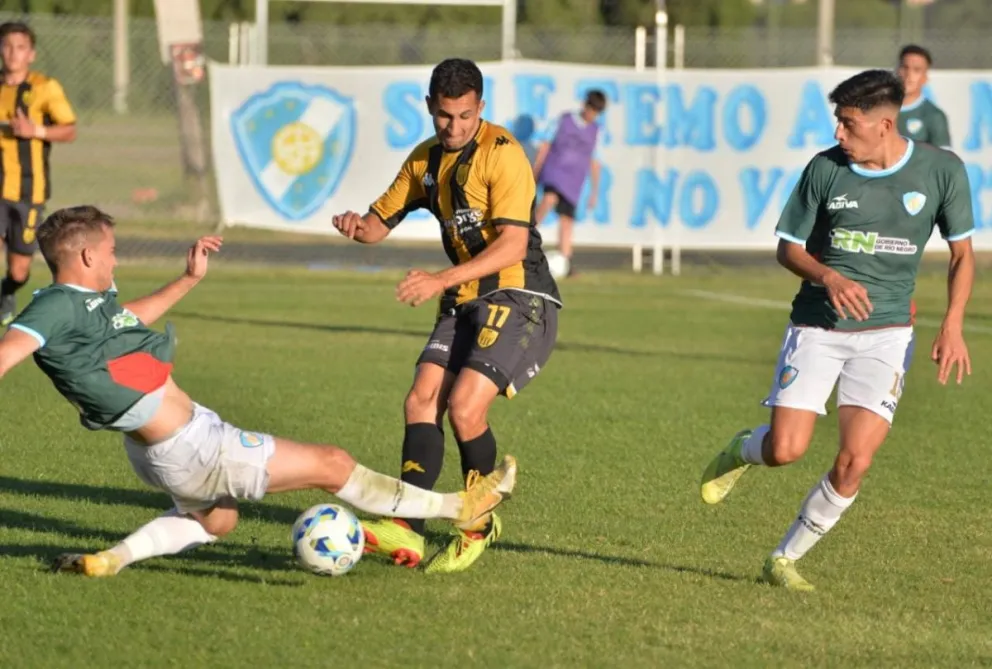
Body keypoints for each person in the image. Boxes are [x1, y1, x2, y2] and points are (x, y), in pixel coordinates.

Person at [0, 205, 517, 578]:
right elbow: (7, 354)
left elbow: (124, 321)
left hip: (164, 450)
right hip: (192, 447)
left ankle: (112, 560)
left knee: (219, 520)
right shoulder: (53, 307)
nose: (115, 260)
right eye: (111, 252)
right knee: (331, 463)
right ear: (87, 255)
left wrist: (187, 280)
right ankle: (458, 508)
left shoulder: (89, 299)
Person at [699, 69, 974, 591]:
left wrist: (953, 324)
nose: (839, 135)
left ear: (884, 125)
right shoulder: (825, 170)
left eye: (848, 125)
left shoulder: (941, 172)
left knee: (854, 462)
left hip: (889, 335)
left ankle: (783, 558)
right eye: (838, 123)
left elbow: (963, 255)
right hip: (818, 326)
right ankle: (744, 448)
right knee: (786, 450)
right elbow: (788, 247)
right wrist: (828, 276)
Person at [330, 58, 561, 574]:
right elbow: (377, 225)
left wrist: (439, 279)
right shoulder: (424, 161)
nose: (453, 127)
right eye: (443, 117)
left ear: (481, 107)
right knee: (420, 399)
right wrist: (355, 225)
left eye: (464, 115)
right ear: (430, 108)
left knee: (463, 407)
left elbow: (513, 247)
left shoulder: (503, 155)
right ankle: (406, 527)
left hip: (521, 297)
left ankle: (478, 523)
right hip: (465, 295)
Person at [0, 21, 77, 326]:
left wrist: (35, 130)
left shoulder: (45, 88)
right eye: (6, 46)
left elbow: (69, 130)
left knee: (19, 271)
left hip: (28, 192)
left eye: (19, 47)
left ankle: (7, 291)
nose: (12, 53)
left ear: (30, 54)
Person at [531, 90, 607, 277]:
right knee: (548, 200)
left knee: (567, 220)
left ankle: (566, 262)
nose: (592, 115)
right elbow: (546, 145)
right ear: (585, 105)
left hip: (574, 181)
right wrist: (536, 170)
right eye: (591, 109)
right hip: (554, 172)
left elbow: (595, 161)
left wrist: (594, 191)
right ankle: (525, 240)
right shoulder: (564, 120)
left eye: (596, 112)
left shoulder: (596, 131)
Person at [896, 44, 951, 150]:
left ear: (925, 78)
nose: (908, 75)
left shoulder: (934, 116)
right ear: (897, 70)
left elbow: (945, 162)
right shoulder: (879, 110)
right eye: (905, 67)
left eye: (916, 70)